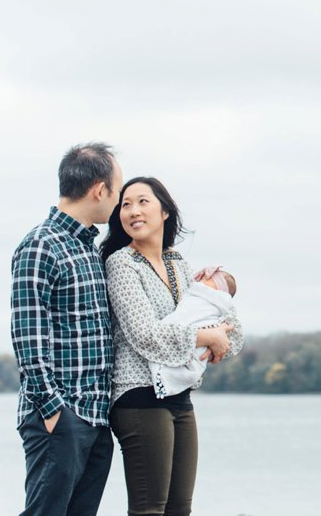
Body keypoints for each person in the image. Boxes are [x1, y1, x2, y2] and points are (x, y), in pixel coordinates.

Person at [101, 177, 242, 516]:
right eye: (125, 204)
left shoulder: (179, 264)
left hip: (179, 397)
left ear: (165, 210)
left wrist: (219, 334)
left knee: (180, 509)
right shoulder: (121, 264)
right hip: (137, 397)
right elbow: (145, 335)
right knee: (150, 509)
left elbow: (229, 327)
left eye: (142, 202)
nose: (133, 210)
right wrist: (204, 338)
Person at [11, 142, 124, 516]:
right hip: (61, 418)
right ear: (99, 189)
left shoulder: (90, 249)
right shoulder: (41, 245)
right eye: (118, 189)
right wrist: (54, 412)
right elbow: (28, 337)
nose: (120, 199)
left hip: (95, 418)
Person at [148, 267, 238, 398]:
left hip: (197, 341)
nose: (201, 280)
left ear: (219, 288)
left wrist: (218, 335)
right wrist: (211, 336)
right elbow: (149, 335)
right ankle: (168, 381)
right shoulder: (198, 294)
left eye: (209, 278)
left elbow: (234, 332)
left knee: (196, 358)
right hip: (183, 338)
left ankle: (169, 380)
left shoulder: (213, 299)